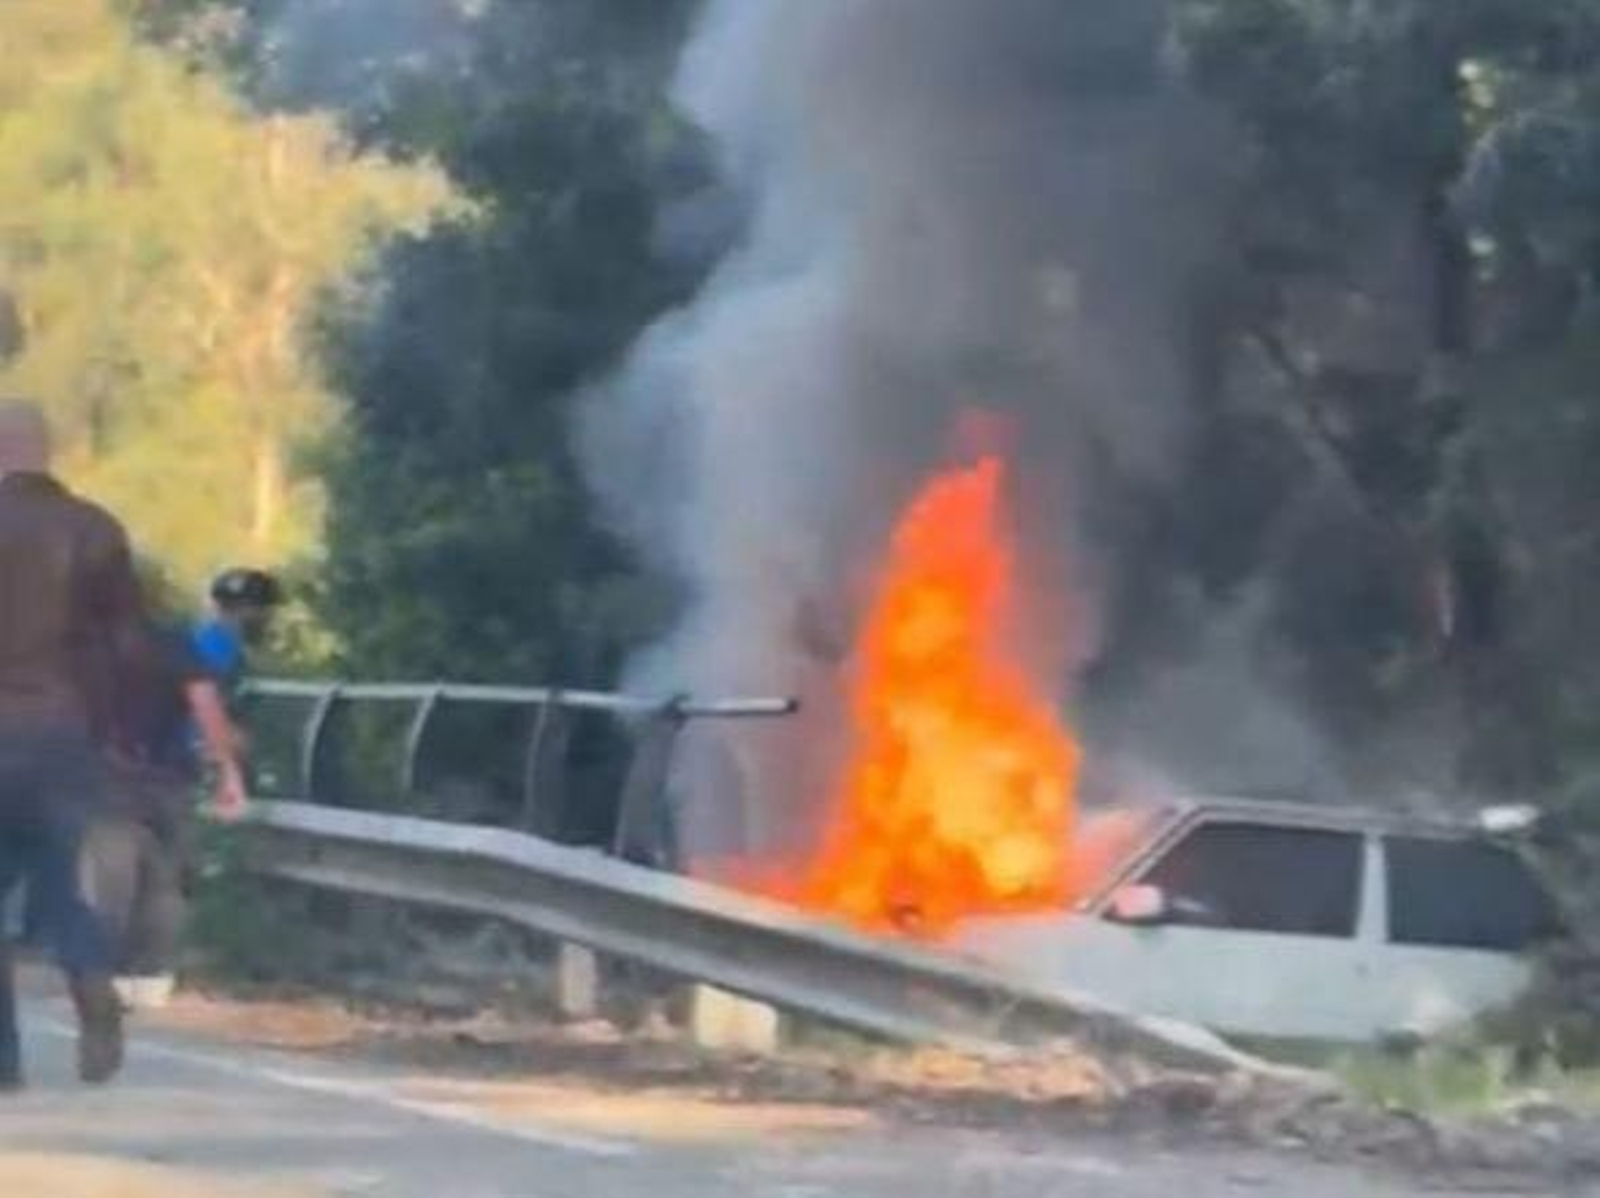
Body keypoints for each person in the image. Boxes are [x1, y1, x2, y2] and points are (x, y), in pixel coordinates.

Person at [0, 399, 138, 1088]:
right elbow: (125, 648)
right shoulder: (96, 529)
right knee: (59, 883)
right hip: (65, 730)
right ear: (46, 452)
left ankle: (2, 1063)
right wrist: (116, 737)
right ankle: (92, 983)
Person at [88, 609, 249, 1011]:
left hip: (106, 778)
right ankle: (151, 973)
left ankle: (113, 970)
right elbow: (206, 707)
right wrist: (228, 771)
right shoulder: (173, 642)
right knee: (165, 877)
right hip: (167, 779)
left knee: (111, 878)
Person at [191, 567, 283, 697]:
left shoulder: (225, 645)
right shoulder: (213, 650)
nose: (270, 616)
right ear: (245, 608)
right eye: (264, 607)